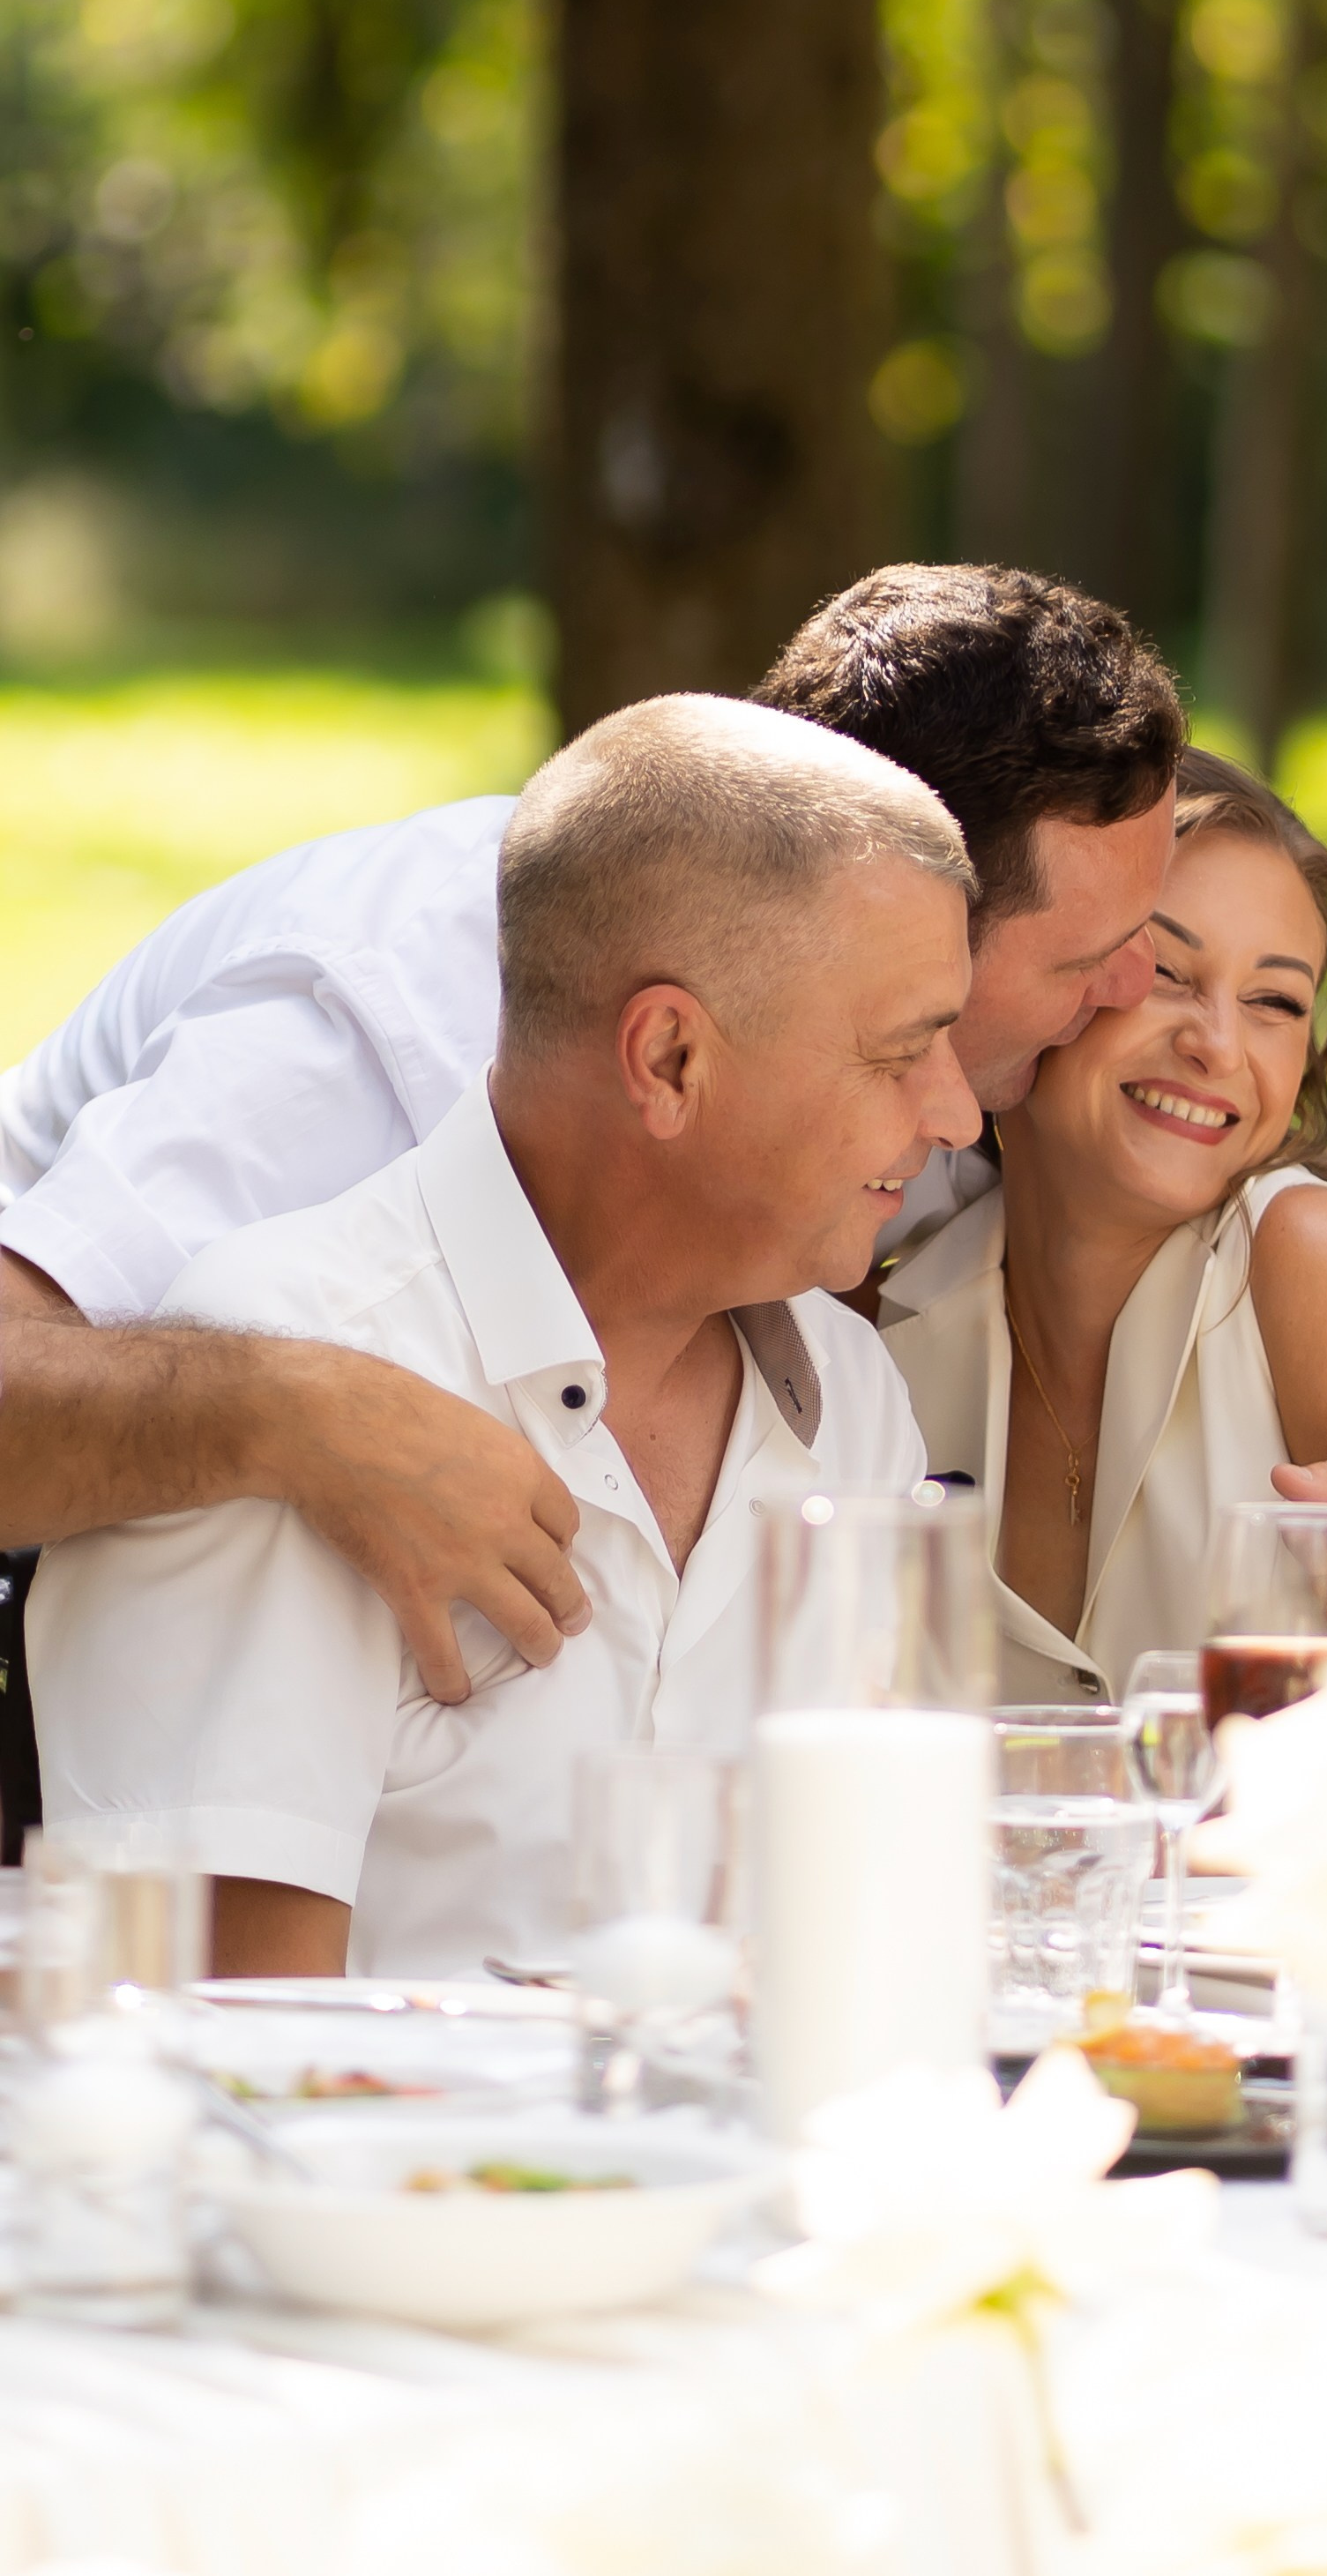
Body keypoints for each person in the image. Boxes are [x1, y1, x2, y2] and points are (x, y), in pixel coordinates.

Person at [1, 563, 1327, 1700]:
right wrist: (304, 1407)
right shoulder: (385, 1012)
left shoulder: (944, 1070)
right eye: (1098, 957)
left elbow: (1292, 1241)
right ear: (894, 900)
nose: (1129, 995)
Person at [29, 698, 979, 1978]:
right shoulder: (281, 1390)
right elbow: (234, 2045)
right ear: (669, 1058)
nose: (958, 1114)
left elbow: (889, 1928)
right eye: (902, 1051)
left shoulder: (851, 1395)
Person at [881, 750, 1327, 1696]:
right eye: (1169, 972)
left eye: (1273, 1001)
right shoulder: (885, 1311)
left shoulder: (1311, 1259)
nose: (1216, 1045)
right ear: (1048, 983)